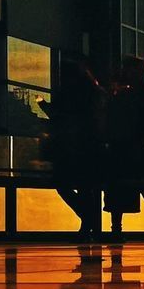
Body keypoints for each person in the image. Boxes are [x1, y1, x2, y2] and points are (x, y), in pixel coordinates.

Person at [104, 56, 144, 241]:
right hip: (135, 149)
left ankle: (117, 230)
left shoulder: (127, 95)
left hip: (126, 148)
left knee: (121, 188)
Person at [42, 59, 105, 241]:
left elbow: (60, 117)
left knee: (65, 186)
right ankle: (89, 224)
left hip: (72, 148)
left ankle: (87, 221)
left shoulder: (68, 95)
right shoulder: (94, 93)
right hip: (89, 147)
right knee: (87, 188)